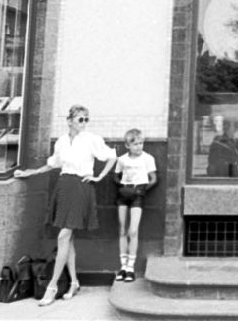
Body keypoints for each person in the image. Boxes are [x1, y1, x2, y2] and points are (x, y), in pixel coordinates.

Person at [14, 105, 117, 306]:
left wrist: (98, 177)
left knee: (63, 235)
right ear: (69, 121)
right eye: (80, 119)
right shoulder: (61, 142)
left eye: (87, 119)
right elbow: (52, 164)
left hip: (81, 187)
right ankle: (74, 282)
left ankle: (52, 286)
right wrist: (29, 173)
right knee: (67, 240)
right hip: (64, 186)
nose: (84, 123)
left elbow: (111, 157)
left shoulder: (91, 139)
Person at [114, 128, 157, 282]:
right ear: (128, 145)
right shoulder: (122, 159)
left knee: (133, 230)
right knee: (122, 229)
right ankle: (123, 266)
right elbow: (116, 175)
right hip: (123, 195)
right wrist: (121, 186)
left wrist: (142, 190)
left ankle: (131, 266)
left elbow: (153, 178)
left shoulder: (148, 158)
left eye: (141, 143)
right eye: (136, 144)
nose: (139, 146)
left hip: (137, 195)